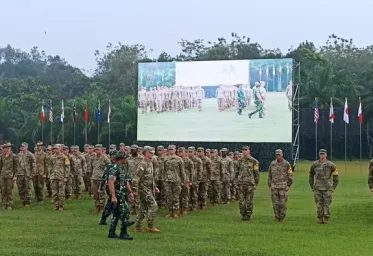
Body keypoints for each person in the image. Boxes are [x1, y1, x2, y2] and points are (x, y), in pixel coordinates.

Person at [132, 146, 160, 233]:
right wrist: (135, 191)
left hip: (149, 189)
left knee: (142, 208)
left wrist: (154, 187)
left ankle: (138, 227)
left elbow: (150, 177)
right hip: (144, 190)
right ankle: (150, 226)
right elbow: (136, 179)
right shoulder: (143, 163)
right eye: (150, 152)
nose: (152, 154)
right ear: (146, 153)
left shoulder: (150, 163)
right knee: (154, 205)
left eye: (153, 153)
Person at [107, 152, 135, 240]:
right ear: (121, 159)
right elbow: (110, 182)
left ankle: (111, 232)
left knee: (116, 213)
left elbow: (125, 181)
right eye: (125, 158)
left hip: (123, 193)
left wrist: (130, 192)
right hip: (117, 193)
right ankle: (123, 233)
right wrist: (113, 196)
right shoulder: (114, 169)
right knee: (125, 211)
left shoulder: (123, 168)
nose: (126, 160)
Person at [309, 149, 339, 224]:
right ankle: (320, 217)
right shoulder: (314, 164)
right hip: (317, 188)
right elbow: (311, 175)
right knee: (319, 204)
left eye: (323, 154)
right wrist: (312, 185)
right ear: (319, 155)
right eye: (320, 154)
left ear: (326, 155)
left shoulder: (331, 165)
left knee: (327, 203)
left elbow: (336, 177)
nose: (322, 155)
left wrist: (333, 187)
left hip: (327, 188)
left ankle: (326, 218)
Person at [267, 149, 293, 222]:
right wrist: (269, 185)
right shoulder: (272, 164)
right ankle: (276, 216)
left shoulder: (286, 164)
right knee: (275, 203)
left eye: (279, 154)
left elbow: (290, 175)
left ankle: (282, 217)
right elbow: (269, 175)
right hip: (274, 187)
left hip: (283, 187)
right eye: (277, 154)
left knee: (283, 203)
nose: (278, 156)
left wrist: (288, 185)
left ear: (282, 155)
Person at [236, 146, 259, 221]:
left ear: (249, 151)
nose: (244, 151)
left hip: (250, 184)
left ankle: (248, 216)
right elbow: (236, 172)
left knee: (249, 201)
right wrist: (236, 182)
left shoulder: (254, 161)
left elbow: (256, 173)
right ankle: (243, 215)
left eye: (246, 150)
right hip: (241, 184)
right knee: (241, 202)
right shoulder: (239, 161)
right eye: (243, 150)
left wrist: (256, 184)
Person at [0, 142, 18, 210]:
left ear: (10, 148)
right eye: (4, 148)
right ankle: (4, 204)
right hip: (3, 176)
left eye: (7, 147)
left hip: (10, 176)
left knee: (9, 190)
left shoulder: (13, 156)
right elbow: (1, 166)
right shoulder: (2, 156)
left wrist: (15, 176)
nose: (5, 149)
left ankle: (9, 204)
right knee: (3, 190)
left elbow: (16, 167)